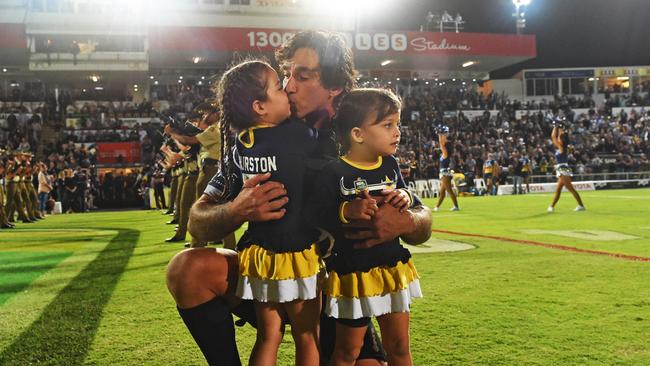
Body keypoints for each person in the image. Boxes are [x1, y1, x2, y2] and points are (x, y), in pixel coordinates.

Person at [168, 30, 431, 366]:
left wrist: (407, 220)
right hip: (274, 274)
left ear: (335, 86)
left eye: (303, 76)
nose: (290, 85)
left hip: (341, 290)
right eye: (287, 75)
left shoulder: (356, 135)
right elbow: (198, 220)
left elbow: (422, 218)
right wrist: (236, 209)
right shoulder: (261, 137)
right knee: (187, 269)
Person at [214, 59, 326, 365]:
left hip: (259, 255)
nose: (287, 92)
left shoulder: (241, 143)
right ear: (259, 107)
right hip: (296, 252)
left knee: (268, 334)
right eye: (278, 87)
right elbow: (318, 137)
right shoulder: (293, 136)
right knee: (307, 334)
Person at [309, 88, 422, 366]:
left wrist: (405, 197)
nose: (397, 132)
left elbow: (408, 195)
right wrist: (346, 210)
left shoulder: (391, 164)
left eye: (397, 124)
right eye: (387, 125)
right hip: (353, 272)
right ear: (358, 134)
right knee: (347, 350)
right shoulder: (334, 172)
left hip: (391, 267)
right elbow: (315, 215)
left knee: (399, 346)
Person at [548, 120, 586, 212]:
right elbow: (557, 136)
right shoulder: (562, 146)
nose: (558, 138)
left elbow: (553, 137)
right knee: (558, 190)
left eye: (560, 138)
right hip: (561, 169)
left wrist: (556, 127)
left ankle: (581, 205)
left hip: (563, 169)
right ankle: (551, 206)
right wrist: (558, 127)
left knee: (571, 189)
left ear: (562, 140)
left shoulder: (561, 147)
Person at [433, 126, 459, 211]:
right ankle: (437, 207)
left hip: (445, 173)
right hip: (445, 173)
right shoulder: (446, 152)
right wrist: (441, 134)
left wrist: (440, 134)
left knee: (449, 190)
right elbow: (442, 143)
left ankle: (456, 206)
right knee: (442, 192)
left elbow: (441, 144)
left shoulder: (445, 153)